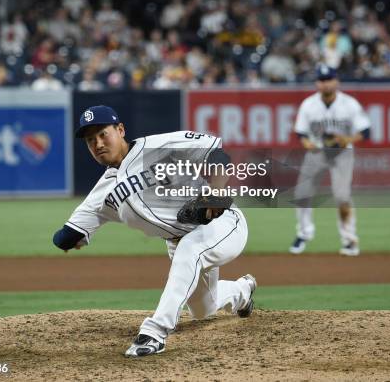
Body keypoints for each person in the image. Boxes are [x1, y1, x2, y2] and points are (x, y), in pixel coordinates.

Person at [52, 105, 256, 357]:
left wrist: (215, 192)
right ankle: (242, 291)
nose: (98, 143)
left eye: (103, 134)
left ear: (120, 129)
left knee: (190, 250)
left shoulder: (157, 146)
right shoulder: (100, 194)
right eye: (90, 140)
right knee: (203, 308)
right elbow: (68, 234)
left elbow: (216, 154)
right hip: (179, 242)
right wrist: (70, 239)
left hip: (222, 225)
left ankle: (154, 332)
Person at [289, 65, 370, 256]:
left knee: (342, 197)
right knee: (302, 194)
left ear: (336, 81)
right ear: (317, 83)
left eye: (329, 79)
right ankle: (303, 234)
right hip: (317, 152)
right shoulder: (309, 104)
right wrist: (307, 143)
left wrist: (347, 139)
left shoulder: (349, 104)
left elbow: (365, 131)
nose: (325, 83)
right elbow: (301, 133)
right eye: (322, 80)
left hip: (342, 153)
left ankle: (350, 240)